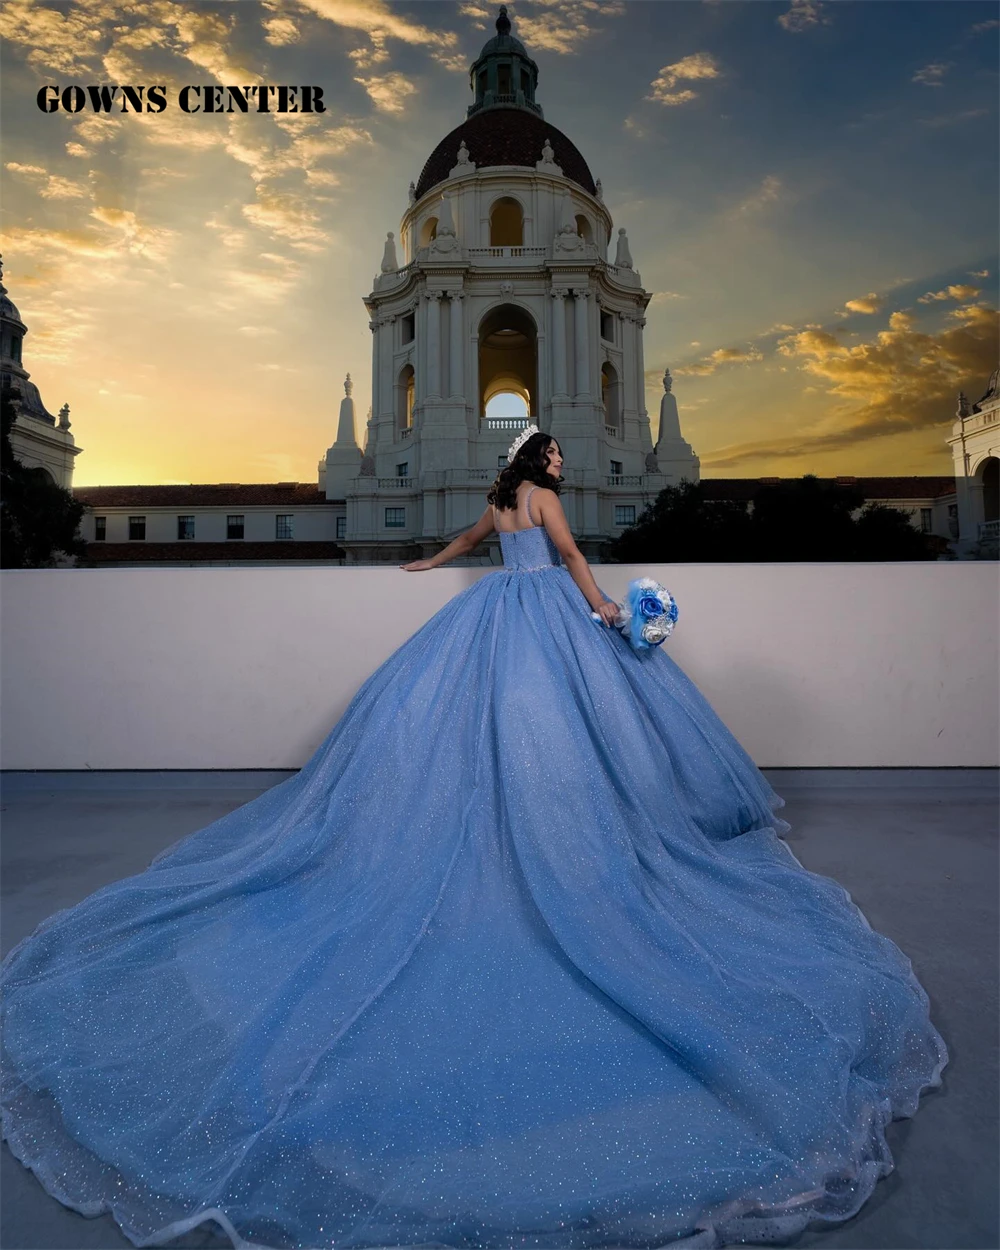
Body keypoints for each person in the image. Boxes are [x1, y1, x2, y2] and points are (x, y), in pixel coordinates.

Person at [1, 427, 948, 1250]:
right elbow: (575, 562)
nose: (562, 464)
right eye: (556, 454)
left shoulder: (499, 505)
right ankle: (564, 838)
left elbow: (469, 538)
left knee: (482, 738)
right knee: (566, 738)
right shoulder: (546, 502)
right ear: (537, 463)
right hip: (549, 622)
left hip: (491, 616)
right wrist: (608, 611)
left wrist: (428, 562)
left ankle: (506, 822)